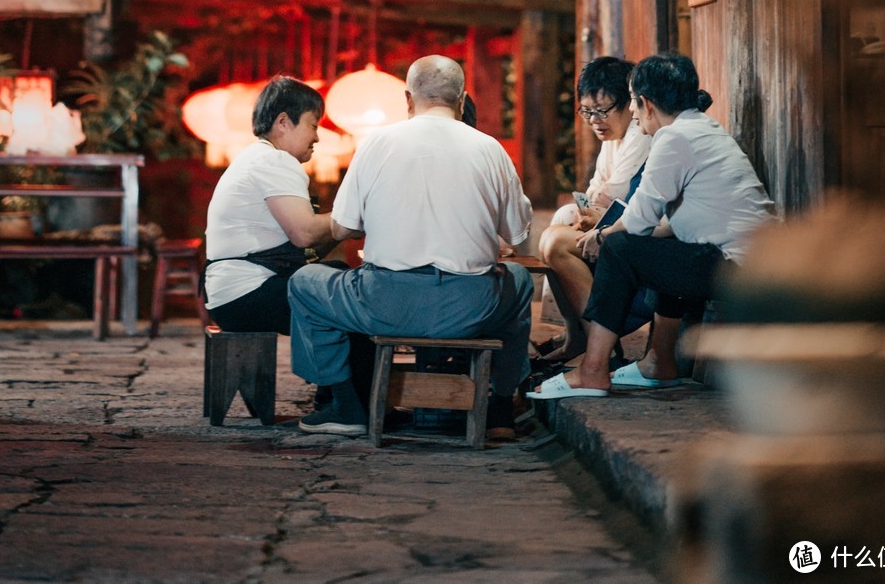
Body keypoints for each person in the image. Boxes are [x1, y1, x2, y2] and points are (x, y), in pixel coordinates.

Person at [287, 55, 535, 438]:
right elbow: (519, 237)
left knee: (304, 282)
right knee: (518, 279)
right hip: (470, 308)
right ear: (462, 98)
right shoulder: (491, 149)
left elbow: (343, 226)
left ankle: (345, 405)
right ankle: (501, 408)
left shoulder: (377, 144)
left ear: (407, 98)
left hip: (385, 303)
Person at [528, 53, 775, 400]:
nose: (630, 111)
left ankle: (594, 370)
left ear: (645, 102)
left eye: (630, 101)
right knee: (653, 252)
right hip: (746, 258)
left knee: (620, 248)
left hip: (737, 265)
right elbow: (664, 225)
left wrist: (601, 236)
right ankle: (658, 363)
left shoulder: (674, 138)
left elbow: (638, 222)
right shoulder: (699, 129)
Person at [538, 57, 651, 359]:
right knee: (561, 222)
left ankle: (601, 347)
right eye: (588, 112)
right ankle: (577, 334)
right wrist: (586, 212)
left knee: (559, 239)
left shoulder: (640, 133)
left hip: (640, 229)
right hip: (614, 219)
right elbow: (593, 190)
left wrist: (589, 212)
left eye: (603, 111)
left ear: (630, 103)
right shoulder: (612, 138)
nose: (595, 120)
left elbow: (611, 194)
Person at [203, 76, 335, 334]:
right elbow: (304, 233)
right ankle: (360, 375)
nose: (317, 137)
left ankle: (339, 373)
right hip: (247, 295)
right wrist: (356, 218)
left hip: (230, 295)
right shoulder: (274, 161)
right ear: (284, 122)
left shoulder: (256, 157)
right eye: (313, 126)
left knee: (336, 278)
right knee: (352, 295)